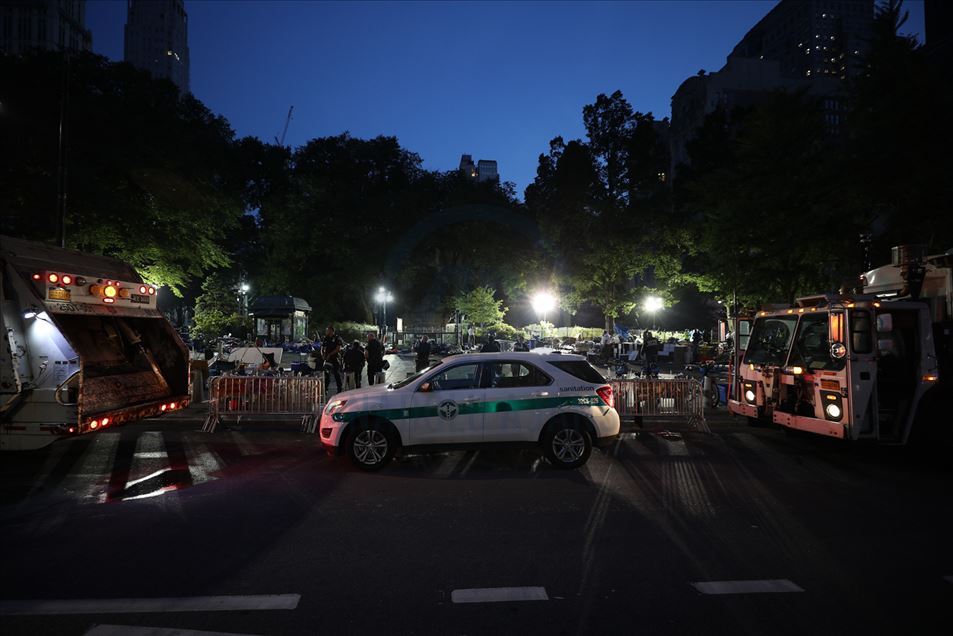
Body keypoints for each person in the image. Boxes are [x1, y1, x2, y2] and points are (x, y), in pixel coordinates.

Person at [321, 325, 344, 393]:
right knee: (326, 374)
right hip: (327, 359)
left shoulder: (337, 338)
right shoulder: (326, 338)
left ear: (331, 331)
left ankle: (339, 388)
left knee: (336, 373)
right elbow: (322, 347)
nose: (327, 332)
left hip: (335, 358)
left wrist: (330, 354)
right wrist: (322, 354)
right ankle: (325, 389)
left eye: (328, 330)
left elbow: (338, 349)